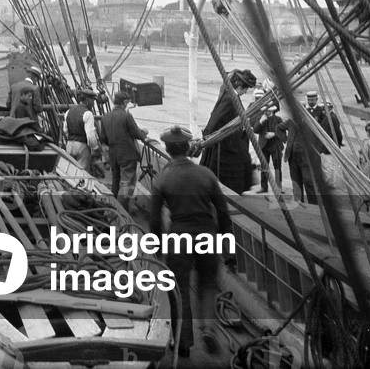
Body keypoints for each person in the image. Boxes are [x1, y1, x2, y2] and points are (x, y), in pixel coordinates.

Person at [149, 125, 231, 358]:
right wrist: (228, 248)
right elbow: (223, 213)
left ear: (167, 149)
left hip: (179, 237)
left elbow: (155, 220)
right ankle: (208, 329)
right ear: (188, 148)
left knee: (180, 289)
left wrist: (157, 248)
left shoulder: (163, 178)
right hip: (207, 233)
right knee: (207, 284)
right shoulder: (206, 175)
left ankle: (184, 342)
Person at [200, 69, 257, 194]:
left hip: (231, 141)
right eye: (246, 88)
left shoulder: (231, 96)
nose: (246, 91)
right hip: (226, 145)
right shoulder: (230, 99)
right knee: (232, 172)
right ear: (240, 86)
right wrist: (207, 136)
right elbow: (216, 119)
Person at [100, 91, 148, 209]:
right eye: (127, 102)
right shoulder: (126, 115)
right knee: (127, 183)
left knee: (116, 181)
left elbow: (103, 138)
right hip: (127, 154)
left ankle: (113, 206)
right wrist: (144, 134)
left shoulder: (105, 117)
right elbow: (136, 133)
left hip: (113, 155)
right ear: (125, 102)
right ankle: (121, 211)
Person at [279, 107, 323, 204]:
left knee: (309, 182)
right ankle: (299, 203)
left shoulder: (311, 124)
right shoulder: (291, 122)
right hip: (292, 157)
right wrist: (284, 139)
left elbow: (321, 138)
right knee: (296, 182)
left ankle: (313, 204)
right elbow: (278, 128)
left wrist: (317, 152)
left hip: (306, 159)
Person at [65, 88, 102, 177]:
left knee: (70, 173)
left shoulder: (68, 111)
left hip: (69, 145)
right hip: (82, 147)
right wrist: (95, 148)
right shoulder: (88, 114)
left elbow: (65, 130)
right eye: (93, 101)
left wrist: (71, 140)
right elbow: (90, 136)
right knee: (82, 175)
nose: (93, 104)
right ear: (87, 101)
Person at [252, 102, 285, 193]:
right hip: (264, 146)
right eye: (266, 111)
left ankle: (279, 187)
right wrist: (260, 121)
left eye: (269, 111)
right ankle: (264, 187)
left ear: (272, 110)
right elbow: (255, 130)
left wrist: (274, 134)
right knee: (264, 167)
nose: (267, 112)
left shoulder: (278, 119)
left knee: (277, 166)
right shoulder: (261, 118)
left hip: (275, 145)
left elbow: (283, 133)